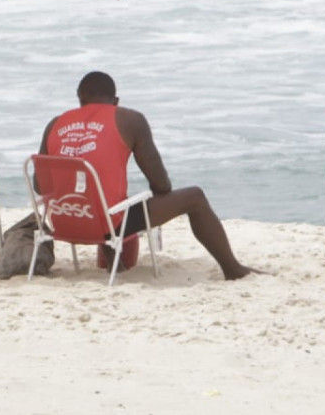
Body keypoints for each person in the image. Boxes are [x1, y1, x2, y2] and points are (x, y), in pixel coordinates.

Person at [39, 71, 258, 280]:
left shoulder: (54, 124)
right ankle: (233, 270)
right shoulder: (129, 119)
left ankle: (116, 261)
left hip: (62, 223)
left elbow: (41, 186)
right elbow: (161, 185)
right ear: (115, 101)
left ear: (80, 98)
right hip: (105, 225)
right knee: (195, 197)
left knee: (101, 196)